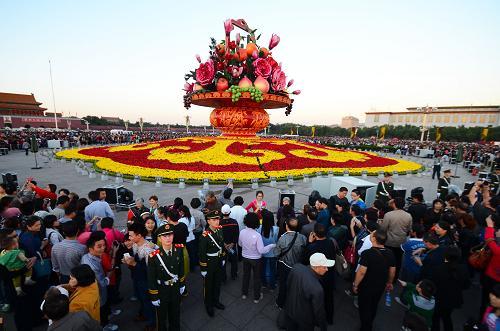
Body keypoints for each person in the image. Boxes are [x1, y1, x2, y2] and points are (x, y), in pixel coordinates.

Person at [353, 229, 396, 331]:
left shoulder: (367, 253)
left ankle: (365, 327)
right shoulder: (390, 253)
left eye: (371, 235)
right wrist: (389, 282)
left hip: (366, 285)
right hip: (380, 285)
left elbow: (361, 272)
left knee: (364, 306)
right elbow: (392, 271)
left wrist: (355, 284)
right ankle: (370, 322)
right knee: (374, 304)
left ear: (373, 239)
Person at [147, 224, 185, 331]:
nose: (168, 238)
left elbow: (181, 269)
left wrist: (182, 284)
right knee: (161, 317)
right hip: (162, 290)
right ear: (159, 238)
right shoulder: (154, 256)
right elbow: (151, 278)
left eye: (170, 235)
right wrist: (154, 296)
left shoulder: (179, 250)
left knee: (175, 314)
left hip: (175, 288)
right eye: (164, 236)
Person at [284, 253, 332, 331]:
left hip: (290, 310)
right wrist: (323, 328)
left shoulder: (296, 267)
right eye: (324, 267)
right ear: (316, 267)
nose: (327, 269)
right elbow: (319, 312)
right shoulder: (317, 289)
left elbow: (288, 284)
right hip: (305, 321)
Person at [81, 231, 117, 331]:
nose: (103, 248)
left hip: (98, 292)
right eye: (99, 246)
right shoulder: (92, 265)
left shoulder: (88, 257)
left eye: (104, 245)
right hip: (98, 293)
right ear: (90, 248)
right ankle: (105, 326)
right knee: (101, 310)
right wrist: (109, 276)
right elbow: (102, 283)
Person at [123, 222, 156, 330]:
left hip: (146, 281)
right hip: (137, 278)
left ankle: (152, 322)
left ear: (139, 235)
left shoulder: (148, 250)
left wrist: (134, 264)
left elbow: (150, 272)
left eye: (131, 235)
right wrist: (131, 261)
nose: (129, 237)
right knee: (142, 299)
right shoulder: (136, 244)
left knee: (148, 301)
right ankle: (144, 314)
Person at [430, 247, 470, 331]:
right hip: (454, 299)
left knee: (435, 318)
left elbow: (432, 285)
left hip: (439, 299)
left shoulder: (438, 269)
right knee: (447, 317)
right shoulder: (463, 269)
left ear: (445, 256)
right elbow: (466, 285)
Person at [238, 212, 275, 303]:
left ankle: (244, 293)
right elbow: (261, 250)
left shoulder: (242, 232)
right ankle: (256, 297)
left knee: (246, 275)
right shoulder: (257, 235)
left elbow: (239, 244)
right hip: (256, 259)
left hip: (245, 257)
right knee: (257, 278)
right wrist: (271, 245)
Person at [305, 223, 336, 325]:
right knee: (329, 298)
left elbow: (306, 260)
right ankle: (330, 318)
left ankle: (317, 320)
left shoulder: (312, 247)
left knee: (316, 300)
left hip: (317, 277)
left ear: (314, 234)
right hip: (329, 275)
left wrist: (309, 243)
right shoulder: (331, 243)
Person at [274, 218, 307, 308]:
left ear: (287, 226)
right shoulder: (303, 237)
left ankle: (280, 303)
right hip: (297, 265)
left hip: (285, 264)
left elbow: (276, 253)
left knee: (283, 284)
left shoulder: (283, 238)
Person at [198, 210, 225, 317]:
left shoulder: (219, 230)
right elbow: (202, 253)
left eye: (218, 219)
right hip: (209, 263)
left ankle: (216, 301)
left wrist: (222, 256)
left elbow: (221, 244)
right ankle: (208, 305)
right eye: (214, 220)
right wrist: (203, 268)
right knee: (209, 285)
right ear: (208, 221)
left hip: (218, 261)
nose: (217, 221)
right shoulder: (205, 236)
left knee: (217, 282)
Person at [379, 197, 412, 279]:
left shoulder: (389, 215)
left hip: (389, 241)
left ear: (394, 204)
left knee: (386, 260)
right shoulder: (408, 216)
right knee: (398, 260)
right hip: (401, 242)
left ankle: (385, 276)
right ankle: (394, 277)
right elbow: (409, 230)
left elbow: (383, 229)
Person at [480, 214, 500, 319]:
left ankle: (484, 319)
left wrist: (490, 226)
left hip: (491, 278)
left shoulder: (498, 251)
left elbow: (488, 239)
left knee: (486, 301)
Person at [258, 209, 279, 290]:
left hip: (262, 253)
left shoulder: (259, 228)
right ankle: (272, 285)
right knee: (273, 270)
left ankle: (264, 283)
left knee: (262, 269)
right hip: (273, 253)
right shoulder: (276, 229)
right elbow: (277, 241)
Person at [219, 204, 239, 281]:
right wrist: (233, 243)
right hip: (232, 246)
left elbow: (218, 235)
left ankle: (223, 278)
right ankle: (233, 275)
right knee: (234, 261)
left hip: (223, 247)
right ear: (230, 212)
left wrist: (224, 244)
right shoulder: (234, 222)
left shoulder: (219, 223)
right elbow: (237, 234)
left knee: (223, 262)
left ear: (222, 212)